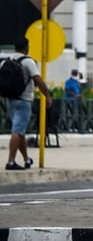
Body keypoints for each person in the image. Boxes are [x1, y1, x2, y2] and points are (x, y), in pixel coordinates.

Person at [6, 37, 53, 170]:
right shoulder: (28, 62)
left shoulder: (8, 61)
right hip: (24, 100)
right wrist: (47, 95)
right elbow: (37, 79)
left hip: (10, 100)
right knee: (17, 131)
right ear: (27, 47)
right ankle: (10, 161)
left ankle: (26, 160)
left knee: (20, 131)